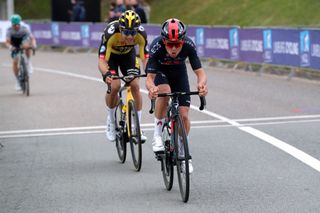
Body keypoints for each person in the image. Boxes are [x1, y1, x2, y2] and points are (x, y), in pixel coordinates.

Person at [145, 18, 208, 173]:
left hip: (179, 74)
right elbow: (149, 79)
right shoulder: (156, 46)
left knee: (184, 115)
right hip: (160, 72)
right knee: (164, 93)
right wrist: (152, 88)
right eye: (170, 45)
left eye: (177, 45)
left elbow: (200, 73)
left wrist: (201, 85)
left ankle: (182, 151)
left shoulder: (189, 45)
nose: (173, 49)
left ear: (182, 41)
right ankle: (157, 135)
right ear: (164, 42)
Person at [98, 10, 149, 142]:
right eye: (126, 32)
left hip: (128, 56)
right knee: (115, 86)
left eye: (133, 33)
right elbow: (102, 60)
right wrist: (106, 74)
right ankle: (111, 120)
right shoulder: (110, 33)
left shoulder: (141, 35)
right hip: (111, 57)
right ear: (120, 29)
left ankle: (137, 127)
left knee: (135, 85)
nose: (130, 37)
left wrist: (150, 72)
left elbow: (145, 58)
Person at [5, 14, 37, 91]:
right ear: (12, 24)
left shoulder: (24, 29)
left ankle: (28, 62)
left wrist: (34, 45)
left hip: (23, 40)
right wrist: (10, 47)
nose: (16, 26)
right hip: (14, 43)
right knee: (15, 61)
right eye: (14, 25)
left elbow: (32, 38)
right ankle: (17, 80)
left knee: (26, 46)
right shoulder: (9, 30)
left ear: (20, 23)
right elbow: (7, 42)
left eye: (17, 24)